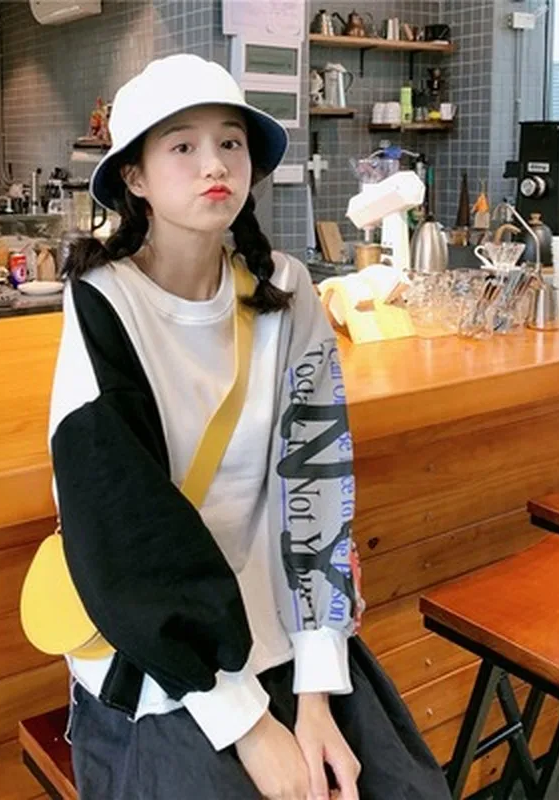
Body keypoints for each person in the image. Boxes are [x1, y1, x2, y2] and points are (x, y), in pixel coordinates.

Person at [48, 54, 450, 800]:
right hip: (163, 657)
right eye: (182, 145)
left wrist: (317, 694)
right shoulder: (104, 301)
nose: (214, 165)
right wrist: (249, 724)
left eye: (230, 142)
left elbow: (316, 489)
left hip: (285, 636)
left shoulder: (286, 289)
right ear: (134, 176)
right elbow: (126, 531)